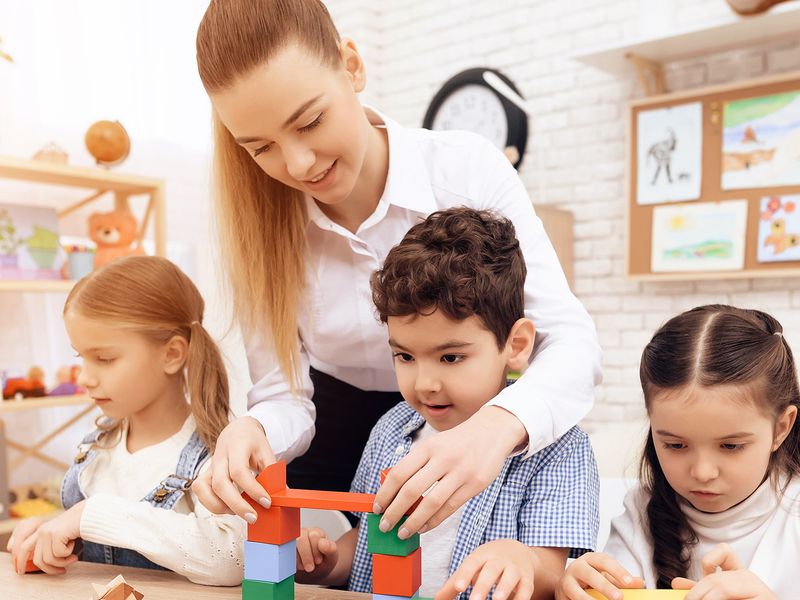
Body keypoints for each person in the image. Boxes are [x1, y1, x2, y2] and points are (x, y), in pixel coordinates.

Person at [193, 0, 602, 535]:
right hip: (331, 441)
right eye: (261, 148)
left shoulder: (464, 170)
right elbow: (283, 394)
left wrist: (496, 428)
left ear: (352, 66)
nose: (297, 164)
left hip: (470, 424)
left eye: (311, 122)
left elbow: (569, 341)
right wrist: (252, 429)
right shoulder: (255, 228)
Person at [293, 208, 599, 600]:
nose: (425, 384)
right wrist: (328, 565)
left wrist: (520, 558)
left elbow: (551, 572)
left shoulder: (559, 449)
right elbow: (368, 540)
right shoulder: (390, 429)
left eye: (450, 358)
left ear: (516, 345)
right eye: (404, 356)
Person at [7, 256, 244, 585]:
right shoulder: (97, 444)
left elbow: (232, 559)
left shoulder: (217, 455)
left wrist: (90, 516)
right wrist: (54, 532)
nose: (86, 377)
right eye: (81, 357)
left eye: (104, 358)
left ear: (172, 354)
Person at [556, 305, 800, 600]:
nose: (702, 472)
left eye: (731, 446)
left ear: (781, 428)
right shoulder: (641, 511)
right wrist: (575, 589)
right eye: (675, 445)